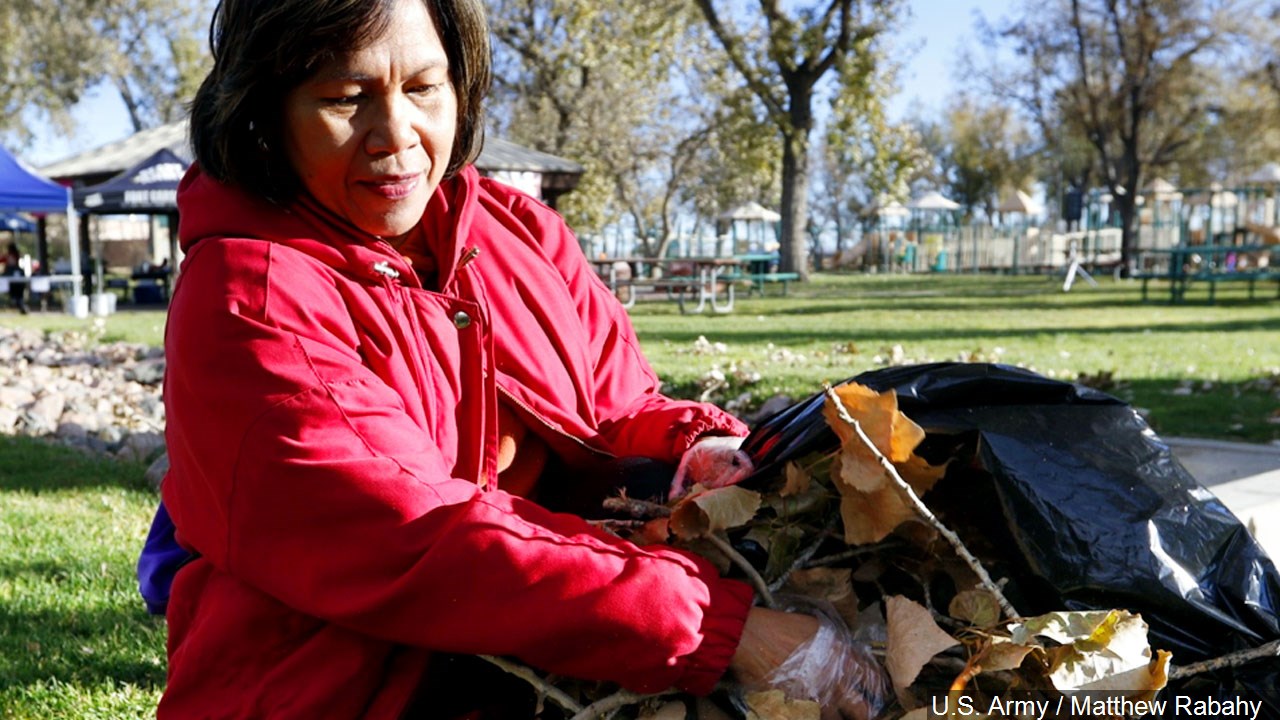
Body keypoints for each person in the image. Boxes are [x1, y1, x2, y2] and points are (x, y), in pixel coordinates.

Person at [139, 0, 886, 717]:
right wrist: (719, 629)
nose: (395, 135)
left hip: (543, 656)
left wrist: (694, 446)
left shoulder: (519, 233)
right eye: (344, 98)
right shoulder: (249, 297)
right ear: (265, 110)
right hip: (346, 694)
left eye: (424, 88)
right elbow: (416, 535)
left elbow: (618, 405)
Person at [5, 242, 27, 314]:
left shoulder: (12, 256)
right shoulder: (16, 256)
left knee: (17, 296)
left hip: (15, 282)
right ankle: (20, 306)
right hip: (16, 281)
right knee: (18, 296)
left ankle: (21, 306)